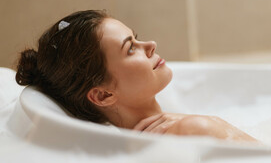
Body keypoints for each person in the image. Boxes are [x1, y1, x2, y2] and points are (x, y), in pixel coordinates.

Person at [16, 10, 257, 142]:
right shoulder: (194, 130)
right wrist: (213, 125)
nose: (150, 44)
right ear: (102, 94)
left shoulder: (173, 130)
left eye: (136, 37)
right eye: (130, 48)